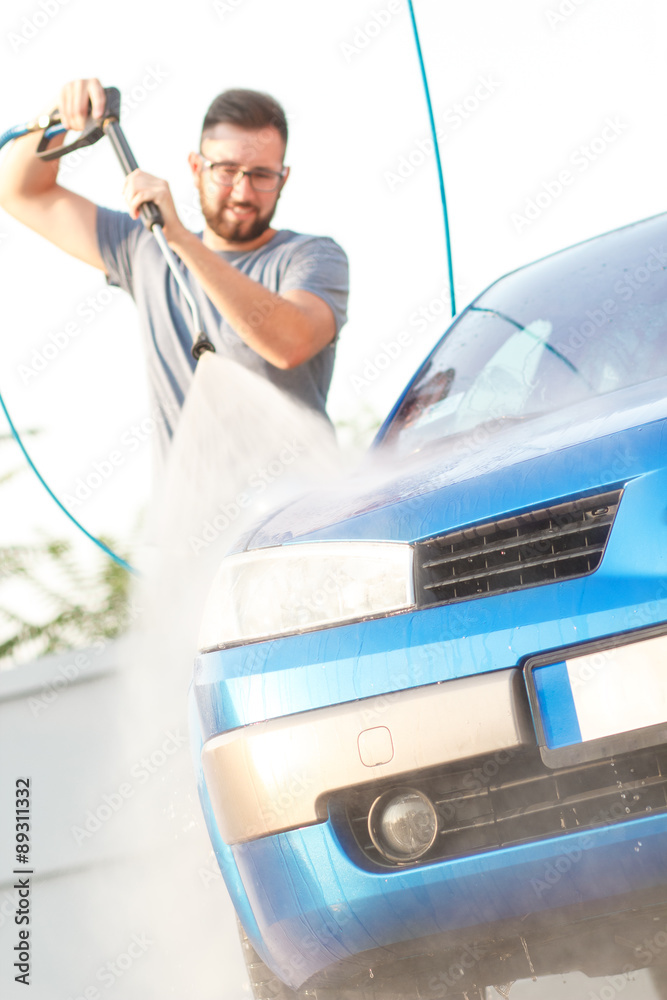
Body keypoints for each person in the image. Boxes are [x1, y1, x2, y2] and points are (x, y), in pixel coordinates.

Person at [0, 78, 349, 458]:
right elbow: (20, 192)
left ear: (284, 178)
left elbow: (290, 343)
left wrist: (181, 238)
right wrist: (57, 118)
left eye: (262, 175)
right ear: (196, 167)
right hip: (192, 517)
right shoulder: (145, 248)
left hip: (311, 513)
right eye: (227, 170)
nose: (243, 192)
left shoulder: (313, 256)